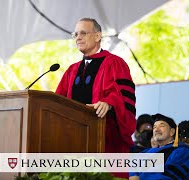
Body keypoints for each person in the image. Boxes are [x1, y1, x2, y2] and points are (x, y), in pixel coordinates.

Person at [56, 18, 136, 178]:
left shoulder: (115, 63)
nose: (78, 37)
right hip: (75, 142)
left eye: (83, 33)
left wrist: (110, 103)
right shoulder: (72, 70)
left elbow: (124, 95)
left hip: (106, 141)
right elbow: (57, 102)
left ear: (98, 36)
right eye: (76, 34)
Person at [129, 114, 189, 180]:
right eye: (154, 127)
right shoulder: (147, 151)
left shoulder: (182, 151)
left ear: (172, 131)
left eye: (161, 126)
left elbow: (171, 175)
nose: (156, 129)